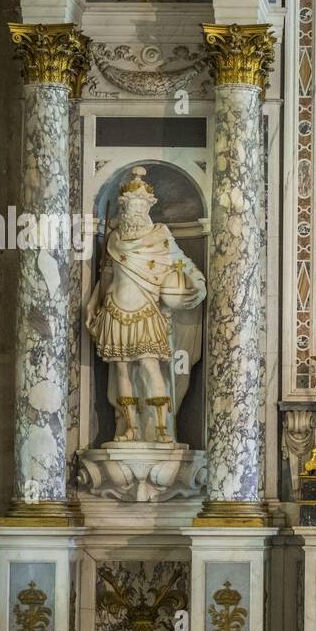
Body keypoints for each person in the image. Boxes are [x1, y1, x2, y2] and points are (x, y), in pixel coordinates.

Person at [85, 167, 206, 443]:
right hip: (115, 310)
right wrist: (93, 303)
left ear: (147, 208)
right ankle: (130, 428)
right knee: (121, 371)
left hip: (146, 312)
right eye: (129, 206)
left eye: (139, 206)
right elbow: (106, 275)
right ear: (123, 208)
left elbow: (184, 266)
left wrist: (194, 286)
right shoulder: (114, 238)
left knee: (151, 368)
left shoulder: (160, 237)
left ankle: (163, 428)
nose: (134, 212)